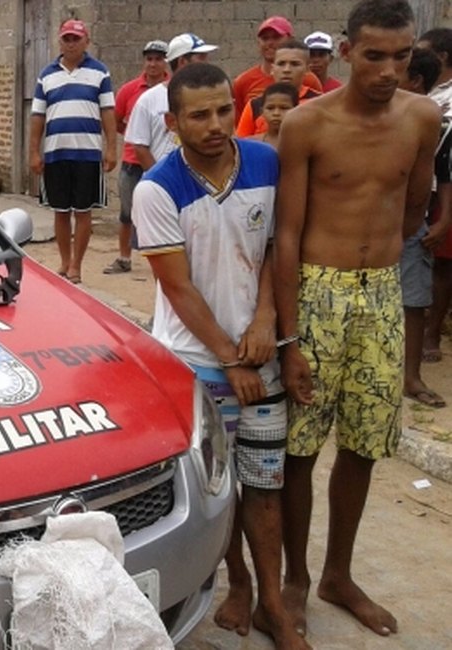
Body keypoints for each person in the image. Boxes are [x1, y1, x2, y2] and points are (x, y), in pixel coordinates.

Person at [275, 0, 441, 638]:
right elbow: (286, 236)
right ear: (346, 53)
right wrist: (291, 339)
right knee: (300, 445)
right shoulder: (308, 124)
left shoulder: (423, 118)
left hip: (381, 296)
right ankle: (294, 577)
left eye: (401, 57)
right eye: (374, 56)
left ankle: (337, 574)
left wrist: (378, 262)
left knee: (368, 443)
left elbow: (413, 205)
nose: (388, 71)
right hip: (316, 291)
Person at [134, 62, 309, 650]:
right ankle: (236, 584)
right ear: (173, 120)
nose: (214, 125)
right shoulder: (157, 188)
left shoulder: (264, 162)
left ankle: (274, 606)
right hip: (195, 363)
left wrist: (265, 321)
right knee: (217, 488)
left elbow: (271, 253)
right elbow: (179, 289)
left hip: (258, 353)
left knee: (265, 484)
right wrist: (230, 358)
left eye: (222, 111)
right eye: (199, 115)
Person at [29, 18, 117, 284]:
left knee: (83, 211)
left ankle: (77, 265)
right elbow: (37, 116)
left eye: (76, 38)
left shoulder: (100, 72)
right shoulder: (46, 75)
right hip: (56, 153)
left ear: (86, 41)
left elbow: (108, 112)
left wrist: (111, 148)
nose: (71, 43)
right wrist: (34, 151)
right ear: (60, 41)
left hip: (88, 154)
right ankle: (64, 262)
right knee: (60, 211)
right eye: (66, 38)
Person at [397, 47, 448, 407]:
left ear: (414, 80)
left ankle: (411, 377)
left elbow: (444, 170)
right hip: (367, 223)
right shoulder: (375, 114)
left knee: (413, 300)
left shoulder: (432, 120)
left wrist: (444, 218)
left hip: (414, 219)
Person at [105, 39, 169, 275]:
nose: (153, 64)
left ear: (166, 62)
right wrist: (134, 137)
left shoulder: (171, 90)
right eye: (149, 59)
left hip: (160, 161)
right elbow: (116, 118)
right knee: (127, 213)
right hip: (133, 161)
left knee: (162, 212)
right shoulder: (129, 90)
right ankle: (124, 258)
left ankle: (164, 260)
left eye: (158, 59)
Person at [125, 33, 218, 173]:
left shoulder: (209, 97)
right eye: (201, 57)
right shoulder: (148, 100)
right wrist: (161, 179)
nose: (206, 62)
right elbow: (140, 146)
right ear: (182, 61)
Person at [418, 27, 452, 363]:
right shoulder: (424, 92)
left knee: (442, 262)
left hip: (444, 187)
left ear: (441, 56)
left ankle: (433, 332)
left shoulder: (449, 97)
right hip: (420, 189)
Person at [233, 16, 323, 115]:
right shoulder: (243, 82)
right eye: (265, 38)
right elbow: (238, 123)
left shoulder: (309, 80)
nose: (270, 43)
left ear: (290, 39)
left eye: (276, 37)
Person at [237, 39, 322, 137]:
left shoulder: (321, 103)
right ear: (272, 69)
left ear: (307, 69)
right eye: (281, 64)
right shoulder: (255, 105)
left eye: (295, 64)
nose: (287, 70)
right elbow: (242, 145)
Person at [253, 83, 299, 149]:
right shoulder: (253, 143)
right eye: (270, 108)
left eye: (284, 108)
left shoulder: (305, 143)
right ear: (261, 112)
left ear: (296, 110)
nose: (276, 113)